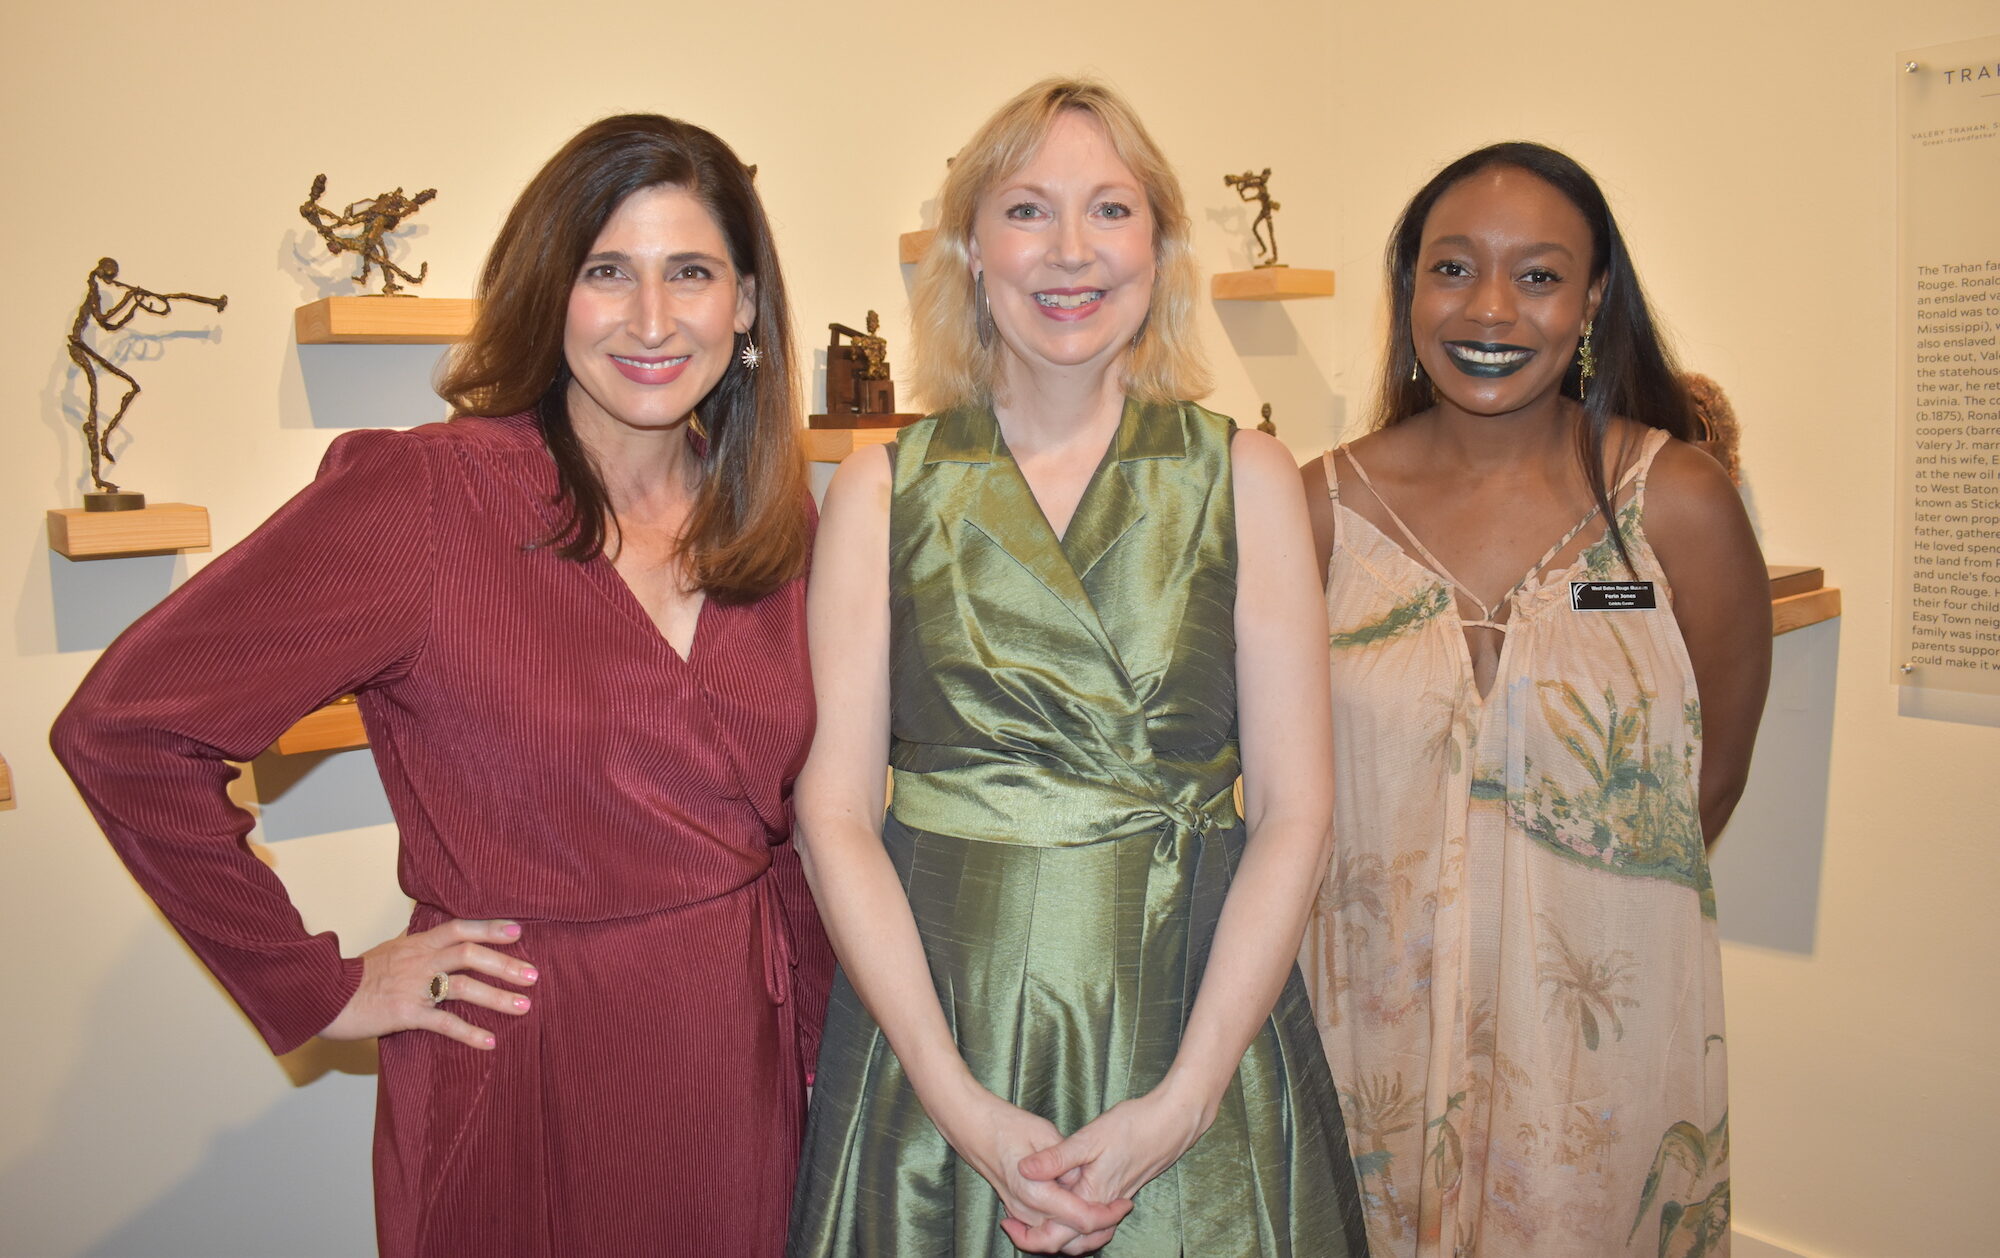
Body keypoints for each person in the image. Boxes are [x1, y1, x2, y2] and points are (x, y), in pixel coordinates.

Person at [51, 114, 833, 1258]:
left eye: (691, 273)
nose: (652, 319)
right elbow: (126, 731)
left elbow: (815, 820)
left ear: (748, 303)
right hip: (529, 1062)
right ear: (548, 291)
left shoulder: (773, 514)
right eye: (605, 271)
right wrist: (317, 986)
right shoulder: (426, 496)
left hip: (745, 1057)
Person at [789, 79, 1368, 1257]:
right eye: (1025, 209)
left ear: (1158, 246)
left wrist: (1185, 1100)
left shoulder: (1246, 478)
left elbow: (1295, 810)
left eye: (1109, 208)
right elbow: (833, 812)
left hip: (1192, 1033)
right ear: (969, 250)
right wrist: (957, 1102)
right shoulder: (881, 490)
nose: (1068, 250)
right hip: (940, 1044)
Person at [1298, 142, 1768, 1258]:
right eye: (1453, 268)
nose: (1491, 309)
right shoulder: (1315, 510)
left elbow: (1707, 784)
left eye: (1539, 275)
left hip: (1594, 1058)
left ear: (1593, 299)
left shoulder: (1677, 503)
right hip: (1363, 1043)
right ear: (1408, 287)